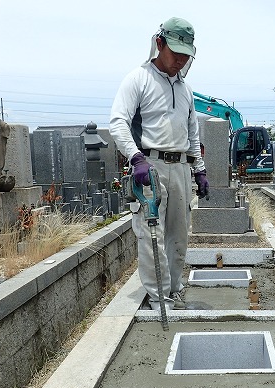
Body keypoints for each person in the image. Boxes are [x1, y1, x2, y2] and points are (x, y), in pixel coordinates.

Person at [109, 17, 209, 311]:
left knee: (179, 233)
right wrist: (135, 157)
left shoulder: (186, 89)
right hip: (149, 167)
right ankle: (159, 299)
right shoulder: (138, 79)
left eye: (185, 55)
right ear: (159, 44)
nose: (180, 59)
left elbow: (192, 134)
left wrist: (199, 169)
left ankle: (174, 290)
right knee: (152, 235)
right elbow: (118, 123)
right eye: (175, 52)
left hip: (180, 167)